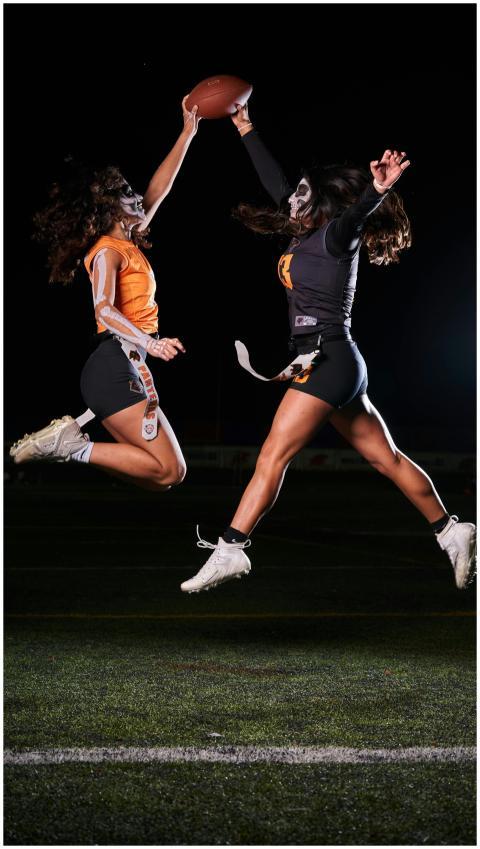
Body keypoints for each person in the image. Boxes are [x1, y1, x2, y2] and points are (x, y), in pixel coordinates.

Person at [180, 102, 476, 593]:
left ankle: (231, 548)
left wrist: (377, 190)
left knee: (273, 454)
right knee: (387, 459)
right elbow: (276, 181)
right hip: (336, 362)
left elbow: (357, 217)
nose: (291, 199)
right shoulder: (306, 231)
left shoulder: (336, 237)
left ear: (321, 203)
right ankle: (452, 531)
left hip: (327, 360)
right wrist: (244, 125)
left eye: (302, 193)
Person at [10, 97, 201, 492]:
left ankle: (73, 447)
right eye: (127, 194)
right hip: (113, 364)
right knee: (170, 471)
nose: (138, 198)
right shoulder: (107, 251)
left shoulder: (127, 241)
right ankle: (72, 448)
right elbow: (103, 309)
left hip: (122, 364)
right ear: (112, 211)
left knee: (162, 477)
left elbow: (158, 190)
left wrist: (187, 133)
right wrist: (152, 341)